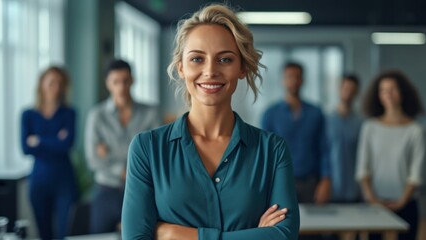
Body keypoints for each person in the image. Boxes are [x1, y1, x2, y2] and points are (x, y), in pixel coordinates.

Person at [122, 4, 300, 240]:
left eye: (225, 59)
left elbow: (284, 236)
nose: (210, 71)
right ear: (181, 68)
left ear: (242, 68)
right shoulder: (147, 149)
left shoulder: (272, 150)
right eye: (197, 58)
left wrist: (173, 234)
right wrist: (254, 235)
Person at [85, 59, 160, 234]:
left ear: (132, 80)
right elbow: (93, 160)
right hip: (106, 190)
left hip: (141, 191)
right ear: (107, 84)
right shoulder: (97, 116)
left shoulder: (150, 113)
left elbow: (156, 155)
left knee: (140, 236)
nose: (121, 87)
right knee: (99, 237)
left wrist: (109, 154)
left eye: (125, 81)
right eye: (115, 82)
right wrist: (123, 169)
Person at [356, 70, 425, 240]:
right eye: (383, 90)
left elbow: (416, 173)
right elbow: (362, 168)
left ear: (402, 93)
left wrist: (401, 201)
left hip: (407, 202)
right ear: (378, 95)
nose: (388, 94)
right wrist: (373, 199)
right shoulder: (369, 127)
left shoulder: (415, 130)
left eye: (393, 89)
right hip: (374, 202)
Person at [21, 66, 78, 240]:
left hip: (65, 183)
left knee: (64, 234)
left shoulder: (69, 113)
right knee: (44, 235)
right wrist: (55, 139)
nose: (57, 87)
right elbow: (25, 148)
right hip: (39, 182)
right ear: (42, 84)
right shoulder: (28, 115)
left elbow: (67, 145)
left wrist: (39, 140)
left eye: (61, 83)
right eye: (52, 83)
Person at [262, 62, 331, 204]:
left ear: (303, 80)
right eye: (289, 76)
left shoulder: (316, 112)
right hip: (280, 182)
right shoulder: (271, 114)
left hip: (311, 182)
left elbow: (324, 149)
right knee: (283, 223)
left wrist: (326, 180)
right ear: (282, 80)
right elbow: (265, 152)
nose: (293, 80)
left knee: (314, 225)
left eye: (297, 76)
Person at [327, 74, 362, 203]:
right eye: (346, 88)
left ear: (357, 92)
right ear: (339, 89)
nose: (348, 92)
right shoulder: (327, 120)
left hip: (355, 189)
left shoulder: (361, 123)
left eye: (352, 89)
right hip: (331, 188)